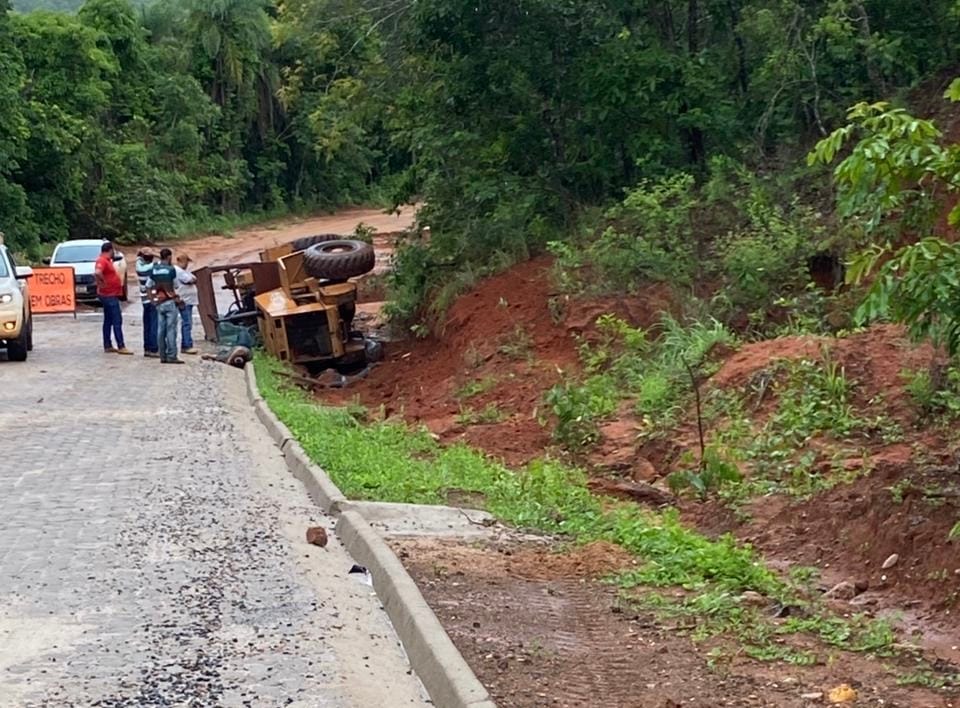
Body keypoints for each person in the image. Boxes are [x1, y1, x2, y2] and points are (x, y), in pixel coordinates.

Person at [95, 241, 133, 355]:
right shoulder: (102, 260)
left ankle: (108, 345)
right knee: (117, 319)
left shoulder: (106, 260)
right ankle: (121, 345)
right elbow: (97, 272)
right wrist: (103, 283)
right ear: (110, 250)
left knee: (108, 320)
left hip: (109, 294)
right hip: (109, 295)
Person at [150, 248, 184, 365]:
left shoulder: (154, 269)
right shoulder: (171, 269)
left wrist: (153, 300)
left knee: (161, 330)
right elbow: (176, 285)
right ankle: (172, 355)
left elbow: (148, 285)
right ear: (169, 257)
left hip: (159, 302)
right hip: (170, 301)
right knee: (171, 330)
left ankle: (162, 355)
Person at [135, 248, 160, 358]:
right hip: (152, 298)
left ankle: (147, 348)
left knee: (147, 324)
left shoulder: (139, 265)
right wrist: (157, 256)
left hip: (144, 299)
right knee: (154, 324)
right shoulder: (151, 267)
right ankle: (153, 348)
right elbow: (161, 261)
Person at [175, 253, 199, 355]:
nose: (187, 264)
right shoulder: (178, 271)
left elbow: (194, 278)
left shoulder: (184, 271)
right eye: (185, 261)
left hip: (188, 300)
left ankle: (187, 344)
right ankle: (186, 345)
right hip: (184, 300)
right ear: (180, 261)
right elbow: (190, 280)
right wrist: (192, 280)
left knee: (187, 322)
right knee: (187, 323)